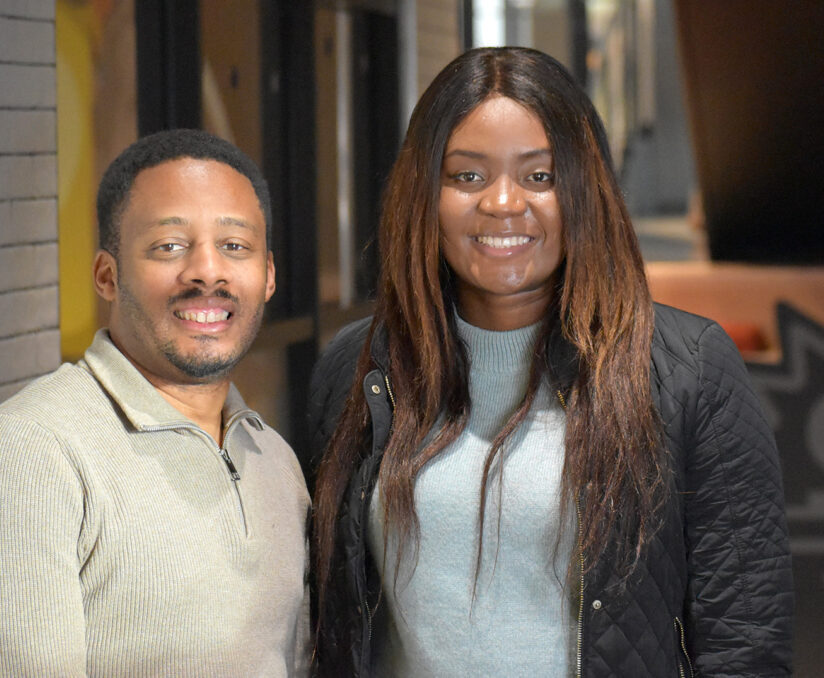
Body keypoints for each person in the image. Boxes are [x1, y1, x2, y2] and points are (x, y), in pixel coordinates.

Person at [308, 47, 792, 678]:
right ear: (423, 192)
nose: (503, 203)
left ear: (586, 190)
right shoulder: (359, 367)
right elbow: (330, 622)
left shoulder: (685, 369)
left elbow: (746, 642)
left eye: (540, 176)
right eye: (467, 176)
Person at [0, 129, 311, 676]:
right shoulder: (32, 449)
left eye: (235, 246)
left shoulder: (274, 458)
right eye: (169, 246)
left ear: (268, 276)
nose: (207, 270)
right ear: (107, 276)